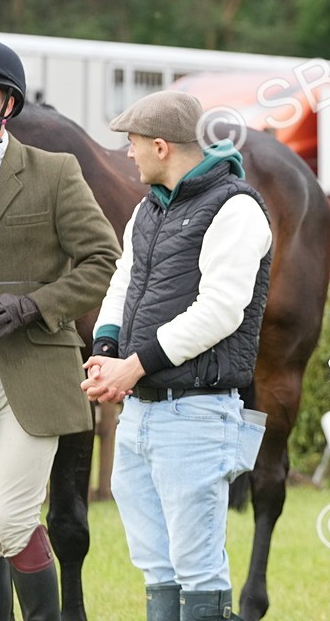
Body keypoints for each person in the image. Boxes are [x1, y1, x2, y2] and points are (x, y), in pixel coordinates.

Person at [80, 91, 271, 621]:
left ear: (161, 146)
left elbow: (221, 311)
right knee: (156, 568)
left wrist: (133, 365)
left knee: (199, 569)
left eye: (133, 145)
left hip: (197, 415)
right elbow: (124, 281)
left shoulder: (236, 209)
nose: (128, 155)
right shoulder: (147, 209)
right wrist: (105, 351)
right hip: (140, 414)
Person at [0, 39, 119, 621]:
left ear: (6, 104)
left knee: (11, 517)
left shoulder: (53, 172)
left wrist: (34, 305)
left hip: (33, 373)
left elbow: (102, 260)